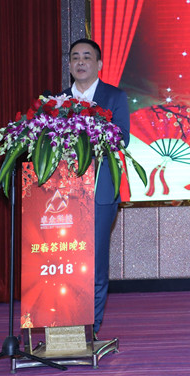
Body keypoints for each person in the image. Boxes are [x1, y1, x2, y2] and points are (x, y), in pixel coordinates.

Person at [62, 38, 129, 337]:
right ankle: (65, 323)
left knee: (94, 262)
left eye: (87, 57)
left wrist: (89, 132)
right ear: (69, 64)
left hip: (100, 191)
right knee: (65, 259)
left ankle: (91, 328)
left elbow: (122, 138)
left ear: (99, 64)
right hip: (62, 195)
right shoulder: (56, 102)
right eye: (75, 57)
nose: (80, 62)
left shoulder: (114, 97)